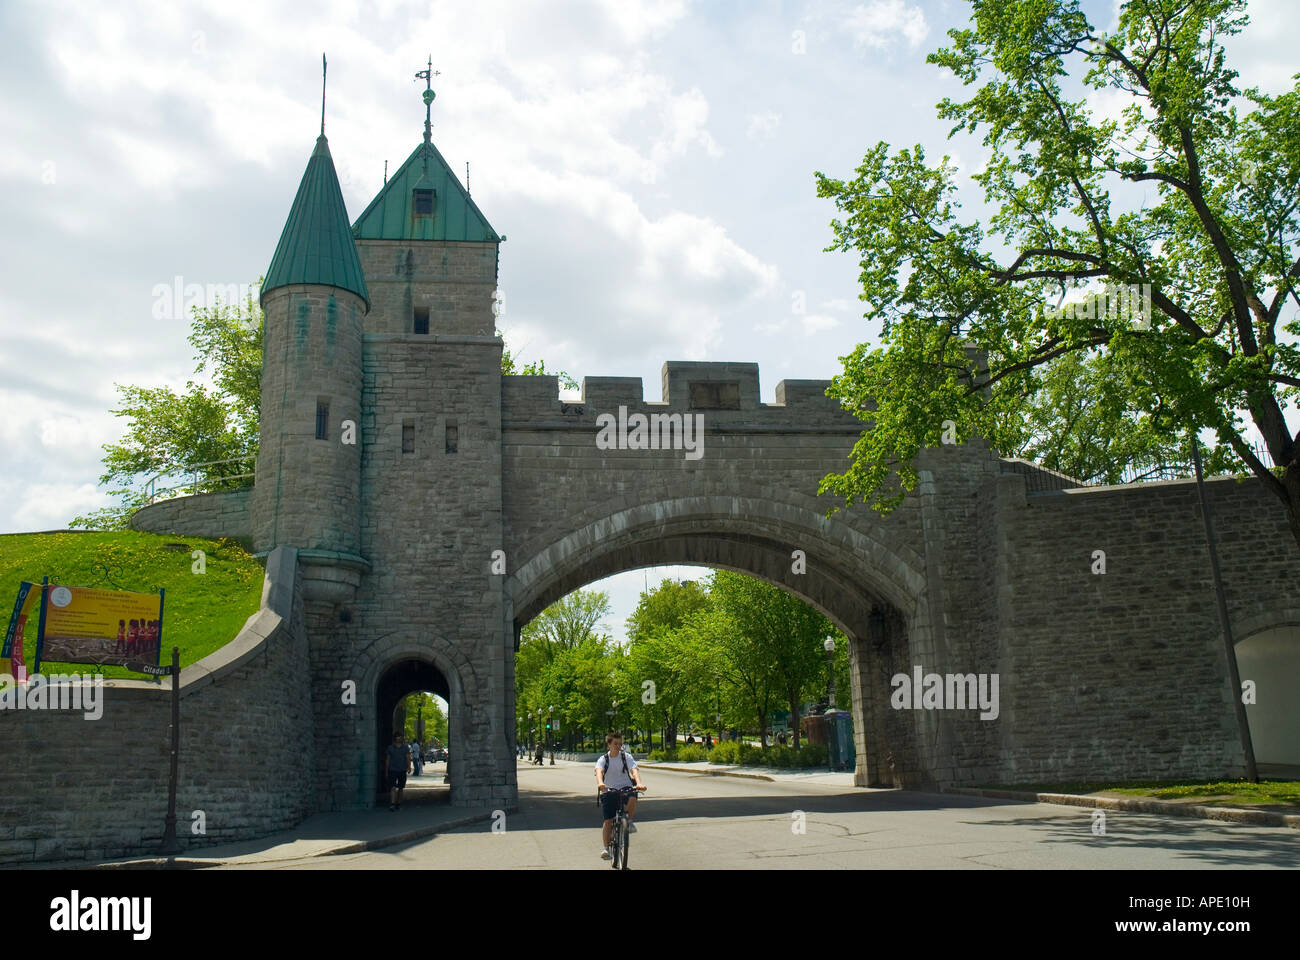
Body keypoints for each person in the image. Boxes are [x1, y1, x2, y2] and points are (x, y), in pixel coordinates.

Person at [595, 732, 646, 860]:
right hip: (609, 790)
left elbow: (634, 770)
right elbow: (599, 772)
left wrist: (639, 783)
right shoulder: (603, 759)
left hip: (625, 787)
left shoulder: (626, 757)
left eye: (620, 744)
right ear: (609, 745)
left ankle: (627, 821)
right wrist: (601, 783)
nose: (618, 746)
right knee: (608, 821)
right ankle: (606, 848)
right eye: (615, 744)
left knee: (633, 797)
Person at [384, 732, 412, 811]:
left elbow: (408, 758)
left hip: (402, 770)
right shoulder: (390, 748)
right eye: (397, 737)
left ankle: (399, 803)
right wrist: (386, 770)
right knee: (392, 787)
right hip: (392, 769)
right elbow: (388, 760)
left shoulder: (405, 748)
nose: (399, 738)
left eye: (400, 737)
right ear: (395, 738)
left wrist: (409, 767)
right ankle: (392, 804)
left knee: (401, 787)